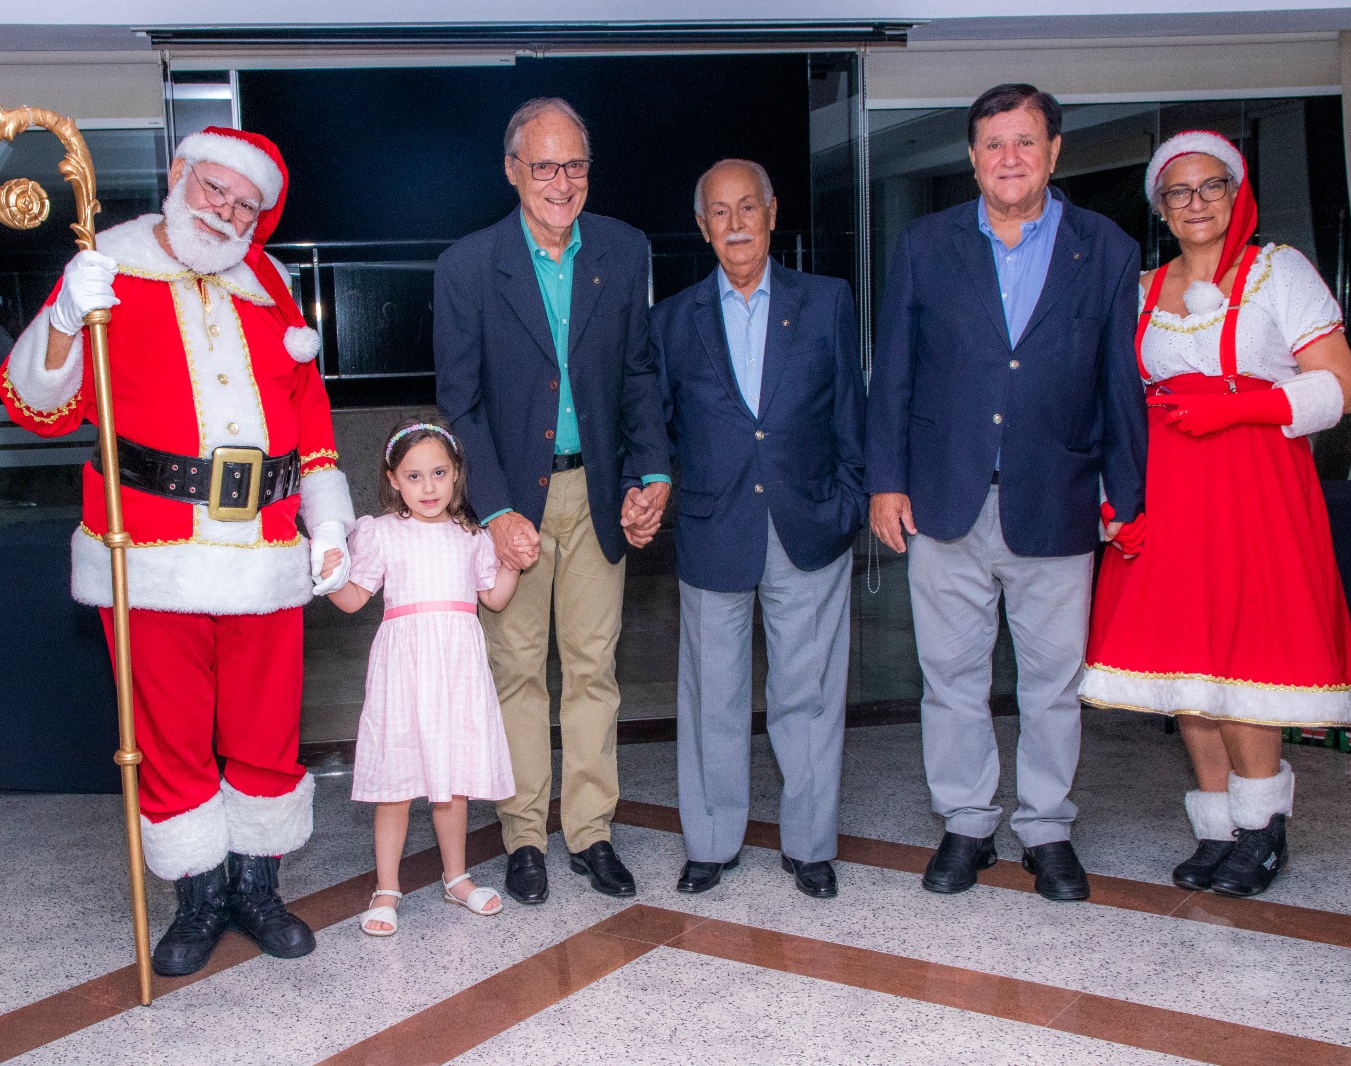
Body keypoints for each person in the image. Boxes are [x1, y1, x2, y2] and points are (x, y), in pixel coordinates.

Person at [0, 127, 356, 975]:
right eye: (214, 189)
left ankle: (256, 889)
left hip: (265, 548)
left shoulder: (269, 286)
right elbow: (37, 405)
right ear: (178, 175)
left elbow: (309, 415)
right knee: (170, 733)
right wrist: (64, 316)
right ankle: (199, 897)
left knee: (268, 730)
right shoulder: (108, 266)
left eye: (246, 204)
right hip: (152, 550)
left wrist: (330, 525)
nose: (226, 211)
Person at [865, 84, 1146, 902]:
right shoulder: (926, 244)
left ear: (1054, 152)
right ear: (972, 157)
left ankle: (1048, 828)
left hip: (1058, 497)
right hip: (944, 498)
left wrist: (1126, 495)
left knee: (1052, 682)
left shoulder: (1106, 248)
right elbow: (894, 374)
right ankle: (966, 822)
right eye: (993, 143)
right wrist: (886, 482)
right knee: (950, 675)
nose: (1009, 157)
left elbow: (1119, 382)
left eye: (1025, 141)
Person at [1081, 130, 1351, 897]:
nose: (1196, 202)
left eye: (1211, 186)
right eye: (1178, 192)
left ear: (1237, 193)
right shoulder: (1143, 288)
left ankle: (1262, 827)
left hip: (1254, 490)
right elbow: (1116, 404)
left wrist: (1242, 408)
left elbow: (1338, 386)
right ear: (1160, 208)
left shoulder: (1280, 272)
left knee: (1247, 657)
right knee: (1186, 665)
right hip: (1168, 495)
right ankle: (1217, 827)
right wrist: (1117, 500)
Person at [434, 97, 672, 905]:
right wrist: (496, 509)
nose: (561, 182)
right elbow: (460, 403)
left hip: (599, 491)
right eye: (544, 166)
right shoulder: (468, 266)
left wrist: (653, 471)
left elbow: (638, 375)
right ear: (513, 171)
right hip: (513, 501)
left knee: (594, 670)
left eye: (575, 165)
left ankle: (592, 831)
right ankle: (526, 836)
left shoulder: (624, 249)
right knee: (517, 673)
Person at [650, 160, 865, 899]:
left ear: (773, 213)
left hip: (809, 522)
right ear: (702, 226)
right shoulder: (672, 320)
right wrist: (649, 489)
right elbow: (656, 429)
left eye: (748, 207)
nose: (736, 223)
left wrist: (850, 502)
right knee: (711, 695)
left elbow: (852, 412)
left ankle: (810, 845)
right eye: (720, 211)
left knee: (810, 694)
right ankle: (711, 842)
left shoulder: (826, 301)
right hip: (714, 527)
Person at [319, 419, 533, 935]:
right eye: (413, 476)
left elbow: (494, 598)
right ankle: (386, 887)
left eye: (439, 473)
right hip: (404, 672)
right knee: (396, 782)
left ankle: (456, 877)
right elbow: (353, 599)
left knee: (451, 782)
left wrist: (514, 562)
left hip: (457, 670)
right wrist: (329, 575)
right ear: (393, 479)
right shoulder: (381, 533)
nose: (429, 487)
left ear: (456, 473)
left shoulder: (472, 536)